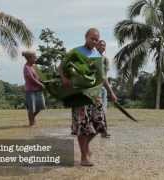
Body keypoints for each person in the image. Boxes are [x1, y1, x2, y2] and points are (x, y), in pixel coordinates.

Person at [59, 28, 109, 166]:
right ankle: (83, 157)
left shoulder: (97, 55)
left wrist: (111, 92)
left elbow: (102, 77)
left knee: (99, 125)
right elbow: (60, 67)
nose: (94, 41)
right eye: (92, 38)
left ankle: (86, 148)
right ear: (86, 37)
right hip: (79, 95)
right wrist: (64, 79)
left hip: (95, 95)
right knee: (82, 125)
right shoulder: (76, 51)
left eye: (96, 39)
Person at [96, 40, 118, 138]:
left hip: (102, 88)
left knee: (103, 110)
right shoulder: (92, 58)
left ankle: (103, 130)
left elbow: (105, 77)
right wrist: (112, 92)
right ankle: (104, 131)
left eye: (104, 45)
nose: (102, 47)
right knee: (99, 110)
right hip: (93, 89)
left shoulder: (105, 60)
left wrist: (109, 90)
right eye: (100, 45)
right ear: (96, 46)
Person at [22, 51, 46, 127]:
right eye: (34, 57)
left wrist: (42, 81)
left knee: (41, 106)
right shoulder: (26, 67)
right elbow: (31, 79)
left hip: (38, 90)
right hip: (30, 90)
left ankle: (32, 118)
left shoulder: (33, 67)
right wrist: (40, 84)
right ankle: (31, 123)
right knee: (32, 108)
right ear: (29, 58)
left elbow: (37, 77)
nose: (35, 59)